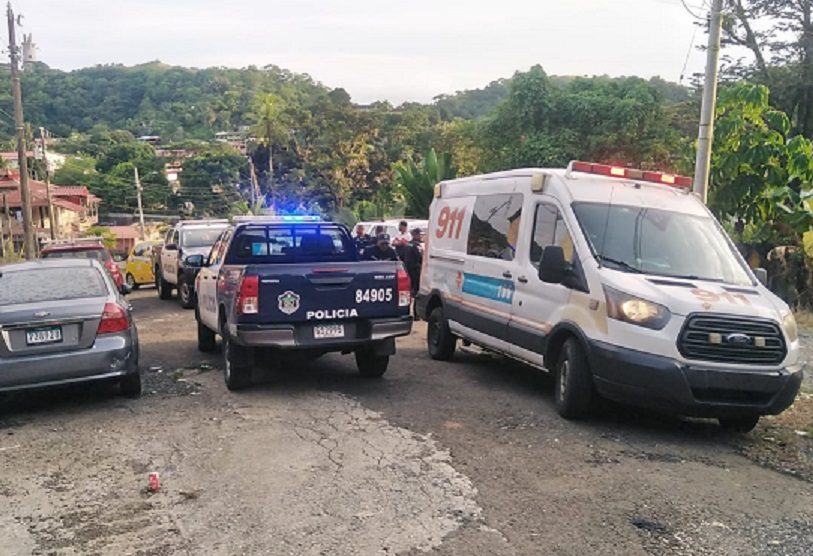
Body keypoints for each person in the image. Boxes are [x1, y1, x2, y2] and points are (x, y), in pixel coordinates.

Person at [404, 228, 423, 296]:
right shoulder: (417, 245)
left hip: (407, 266)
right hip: (415, 268)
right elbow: (419, 257)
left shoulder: (408, 243)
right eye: (420, 235)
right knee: (415, 285)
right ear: (416, 235)